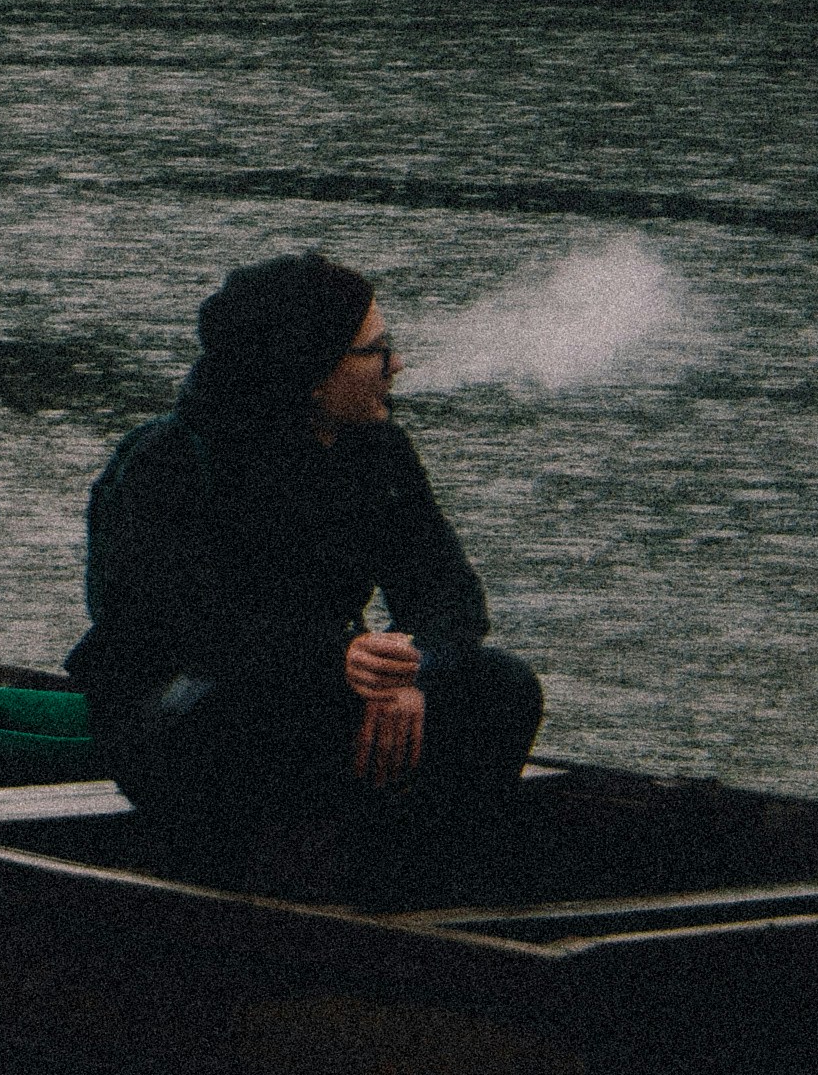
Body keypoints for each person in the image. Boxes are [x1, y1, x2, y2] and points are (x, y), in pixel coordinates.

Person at [69, 250, 544, 898]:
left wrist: (409, 667)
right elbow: (175, 626)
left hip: (327, 685)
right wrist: (336, 660)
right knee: (284, 708)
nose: (395, 365)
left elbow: (447, 592)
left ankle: (428, 885)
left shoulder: (378, 449)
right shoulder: (169, 462)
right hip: (179, 715)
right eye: (375, 350)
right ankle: (271, 879)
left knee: (501, 686)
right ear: (311, 375)